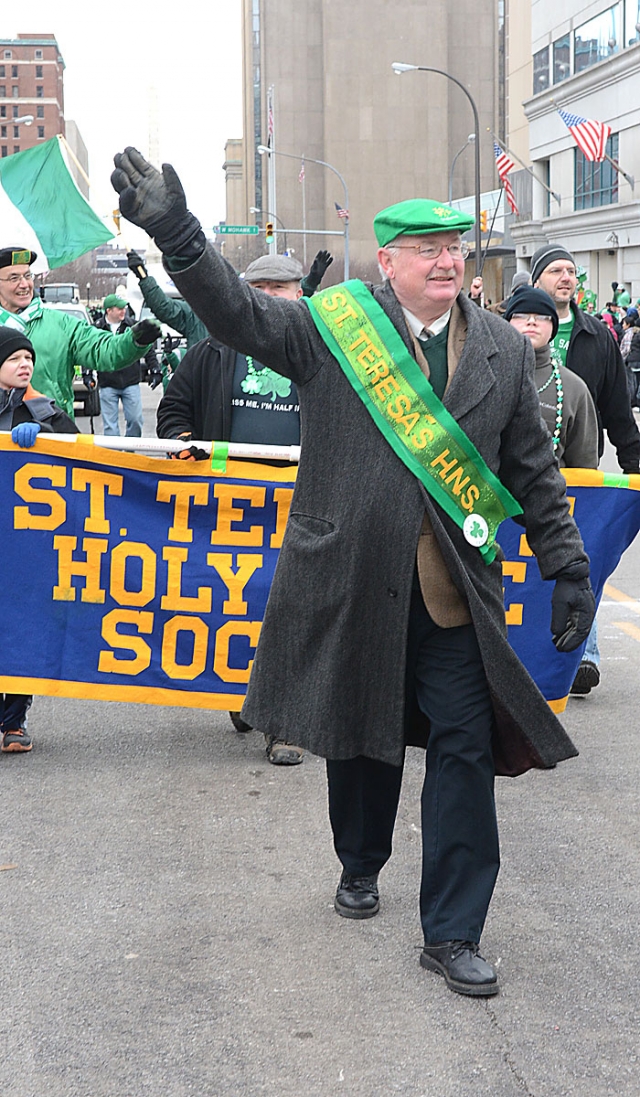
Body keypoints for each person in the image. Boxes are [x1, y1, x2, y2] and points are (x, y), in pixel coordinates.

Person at [113, 149, 595, 998]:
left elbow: (533, 470)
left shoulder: (501, 352)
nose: (447, 259)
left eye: (455, 246)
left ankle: (452, 930)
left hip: (454, 596)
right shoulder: (335, 323)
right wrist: (176, 233)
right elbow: (237, 317)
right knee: (363, 734)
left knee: (462, 745)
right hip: (349, 575)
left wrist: (567, 564)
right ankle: (360, 860)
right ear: (390, 262)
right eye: (428, 248)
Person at [157, 253, 307, 767]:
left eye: (280, 288)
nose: (268, 297)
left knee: (292, 610)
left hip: (302, 508)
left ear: (300, 294)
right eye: (258, 287)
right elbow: (173, 410)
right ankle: (247, 691)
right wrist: (182, 442)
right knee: (237, 607)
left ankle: (282, 722)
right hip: (230, 508)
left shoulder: (329, 355)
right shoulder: (209, 354)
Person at [531, 243, 640, 696]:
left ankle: (584, 656)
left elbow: (617, 407)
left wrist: (634, 462)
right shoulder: (512, 329)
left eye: (572, 271)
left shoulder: (597, 336)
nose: (566, 278)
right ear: (536, 279)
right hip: (512, 474)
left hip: (579, 470)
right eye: (556, 270)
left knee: (581, 557)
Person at [0, 325, 78, 753]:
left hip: (31, 547)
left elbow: (86, 460)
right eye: (13, 359)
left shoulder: (46, 413)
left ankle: (14, 721)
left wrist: (46, 440)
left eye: (28, 358)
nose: (24, 364)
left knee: (22, 629)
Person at [0, 247, 160, 418]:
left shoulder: (61, 325)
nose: (24, 284)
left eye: (27, 276)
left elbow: (103, 349)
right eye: (14, 278)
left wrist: (134, 341)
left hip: (51, 432)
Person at [126, 248, 334, 349]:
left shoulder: (246, 309)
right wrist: (143, 277)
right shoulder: (195, 314)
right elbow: (163, 307)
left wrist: (311, 282)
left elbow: (285, 306)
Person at [504, 286, 598, 468]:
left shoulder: (573, 388)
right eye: (521, 315)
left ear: (553, 325)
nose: (531, 322)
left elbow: (585, 466)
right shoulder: (486, 374)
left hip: (551, 493)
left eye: (542, 316)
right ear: (507, 321)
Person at [93, 293, 161, 437]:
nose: (123, 311)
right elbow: (90, 351)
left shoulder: (133, 326)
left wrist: (154, 369)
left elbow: (148, 349)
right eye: (119, 308)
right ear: (109, 310)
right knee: (110, 428)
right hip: (107, 383)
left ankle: (129, 453)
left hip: (130, 382)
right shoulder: (97, 329)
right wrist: (88, 374)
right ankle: (113, 457)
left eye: (124, 307)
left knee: (135, 420)